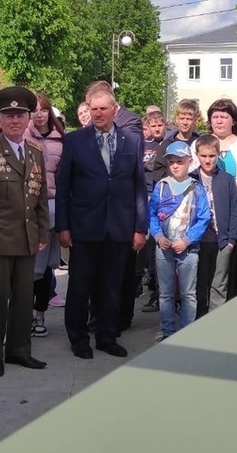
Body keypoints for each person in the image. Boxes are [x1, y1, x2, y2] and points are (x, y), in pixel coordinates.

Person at [56, 88, 147, 359]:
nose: (97, 114)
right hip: (84, 226)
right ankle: (78, 338)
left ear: (114, 110)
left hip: (119, 227)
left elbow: (138, 187)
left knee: (112, 286)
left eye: (103, 109)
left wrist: (140, 227)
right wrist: (63, 226)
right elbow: (63, 187)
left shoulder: (132, 140)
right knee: (80, 286)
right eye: (93, 109)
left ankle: (107, 335)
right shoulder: (75, 140)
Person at [0, 86, 50, 377]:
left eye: (20, 115)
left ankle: (19, 350)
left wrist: (42, 235)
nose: (15, 121)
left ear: (28, 119)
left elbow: (40, 198)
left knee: (24, 299)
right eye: (9, 116)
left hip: (27, 239)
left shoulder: (35, 152)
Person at [148, 141, 211, 341]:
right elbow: (152, 214)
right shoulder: (161, 187)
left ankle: (186, 333)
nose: (175, 166)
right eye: (171, 162)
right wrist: (158, 236)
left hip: (188, 250)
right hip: (164, 248)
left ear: (189, 162)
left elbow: (204, 218)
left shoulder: (196, 188)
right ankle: (167, 331)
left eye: (180, 162)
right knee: (165, 293)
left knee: (188, 294)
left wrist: (188, 240)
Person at [25, 93, 65, 335]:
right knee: (30, 267)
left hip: (53, 208)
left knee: (47, 267)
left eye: (43, 110)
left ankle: (39, 315)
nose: (39, 115)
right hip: (28, 209)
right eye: (34, 110)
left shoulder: (61, 138)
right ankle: (24, 315)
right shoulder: (22, 137)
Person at [190, 135, 237, 314]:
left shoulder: (226, 179)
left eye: (212, 156)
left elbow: (234, 210)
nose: (208, 160)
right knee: (198, 281)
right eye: (203, 156)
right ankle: (198, 316)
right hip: (197, 241)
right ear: (197, 155)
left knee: (219, 283)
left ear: (218, 155)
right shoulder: (191, 179)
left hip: (221, 240)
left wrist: (231, 240)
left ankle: (215, 316)